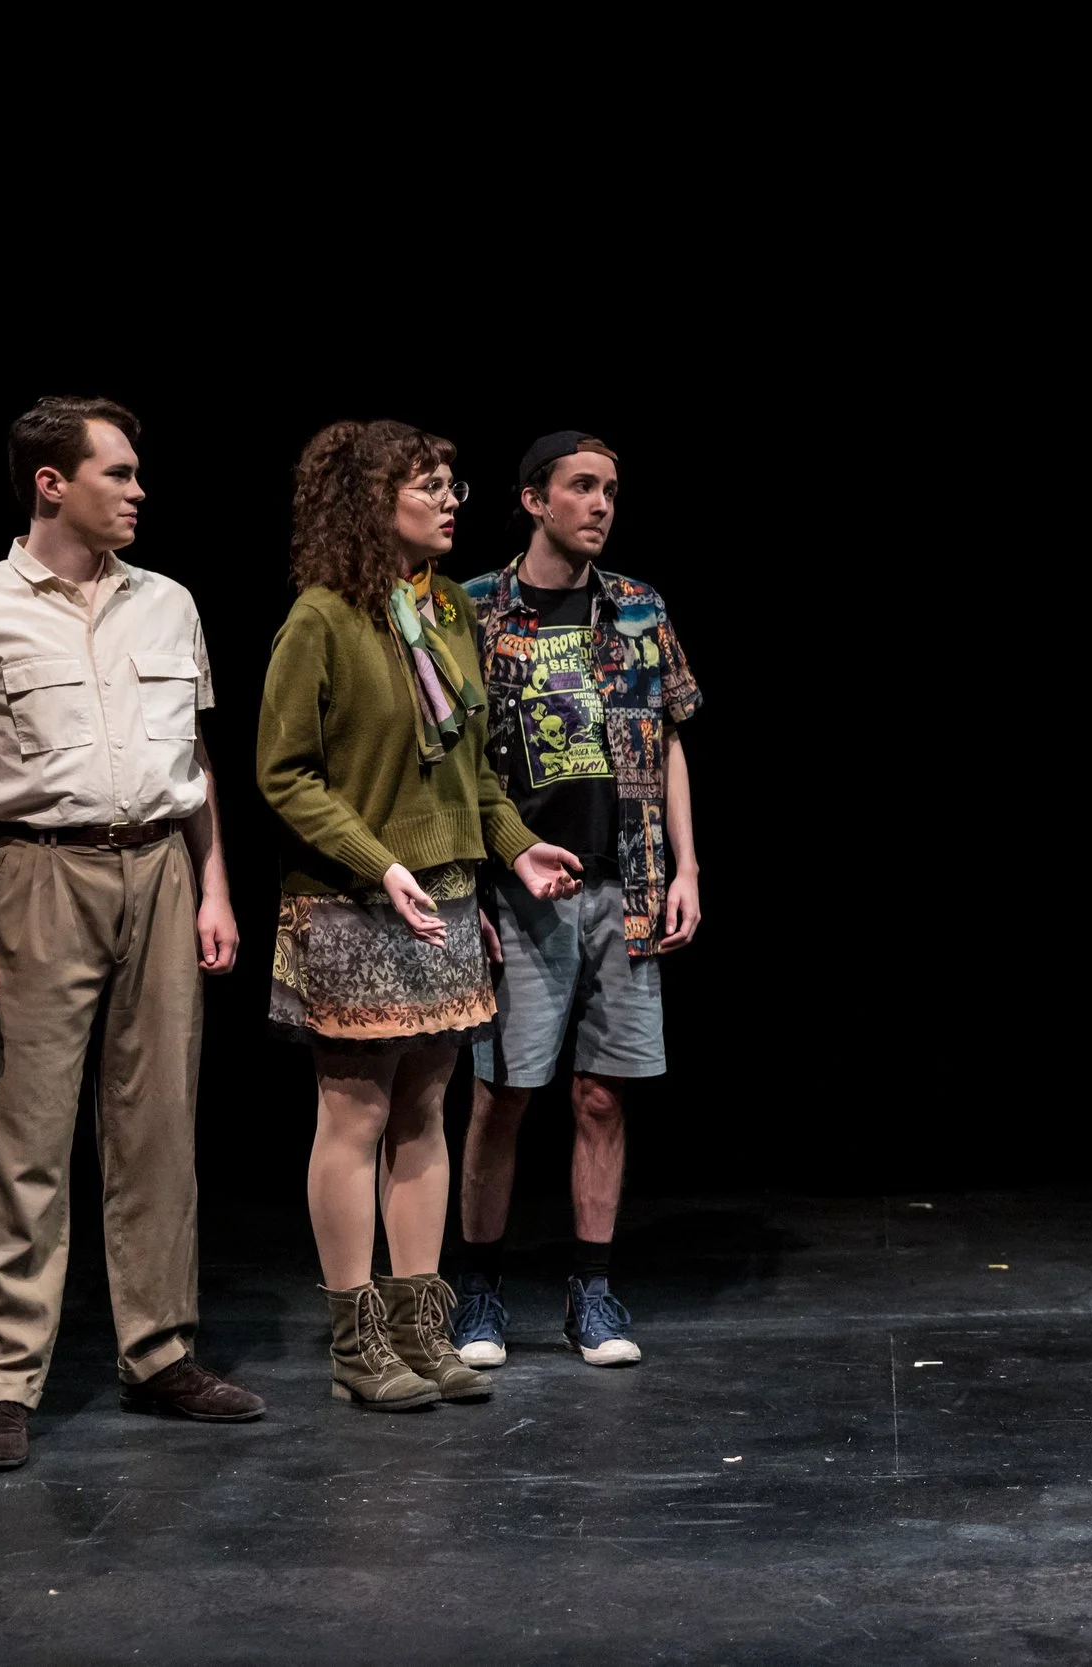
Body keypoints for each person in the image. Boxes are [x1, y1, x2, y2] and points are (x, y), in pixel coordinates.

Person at [0, 396, 264, 1471]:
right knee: (20, 1131)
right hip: (36, 873)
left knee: (158, 1122)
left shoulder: (170, 604)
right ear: (51, 482)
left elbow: (194, 759)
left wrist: (216, 886)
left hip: (159, 863)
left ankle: (158, 1351)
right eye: (118, 472)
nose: (139, 489)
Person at [256, 420, 585, 1411]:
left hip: (442, 898)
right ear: (370, 502)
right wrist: (380, 860)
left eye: (454, 484)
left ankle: (417, 1323)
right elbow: (285, 772)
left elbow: (471, 769)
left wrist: (514, 846)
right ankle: (357, 1340)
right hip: (353, 901)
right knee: (354, 1117)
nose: (451, 500)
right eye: (429, 485)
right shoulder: (322, 617)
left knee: (425, 1116)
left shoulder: (442, 611)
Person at [450, 432, 703, 1369]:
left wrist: (686, 867)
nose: (601, 503)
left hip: (624, 882)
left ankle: (591, 1292)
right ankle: (478, 1288)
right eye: (582, 487)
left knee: (603, 1094)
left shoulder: (638, 607)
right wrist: (467, 883)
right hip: (520, 889)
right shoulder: (473, 609)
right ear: (533, 500)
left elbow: (671, 733)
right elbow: (450, 760)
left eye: (611, 490)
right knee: (502, 1093)